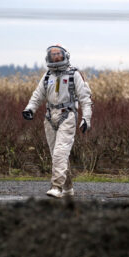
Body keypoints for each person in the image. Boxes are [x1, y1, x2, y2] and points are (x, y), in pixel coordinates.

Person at [22, 44, 93, 198]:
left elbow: (85, 99)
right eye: (52, 54)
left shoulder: (74, 75)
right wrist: (30, 108)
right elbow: (38, 94)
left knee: (60, 153)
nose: (55, 57)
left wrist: (86, 118)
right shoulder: (48, 76)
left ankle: (56, 187)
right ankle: (68, 188)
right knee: (57, 154)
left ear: (65, 55)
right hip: (49, 117)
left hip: (67, 116)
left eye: (58, 54)